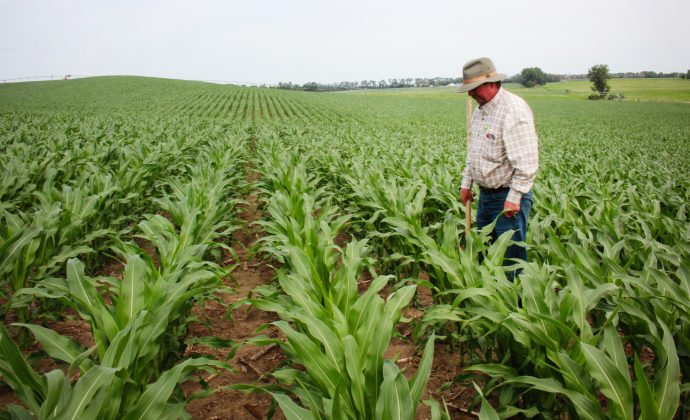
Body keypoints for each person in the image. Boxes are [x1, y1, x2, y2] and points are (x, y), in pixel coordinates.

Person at [457, 57, 539, 276]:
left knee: (511, 261)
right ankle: (489, 304)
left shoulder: (513, 110)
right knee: (485, 253)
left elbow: (527, 162)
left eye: (474, 88)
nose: (470, 94)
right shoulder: (481, 111)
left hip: (507, 199)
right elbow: (473, 152)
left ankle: (517, 307)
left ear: (491, 83)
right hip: (485, 198)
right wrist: (467, 183)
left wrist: (514, 197)